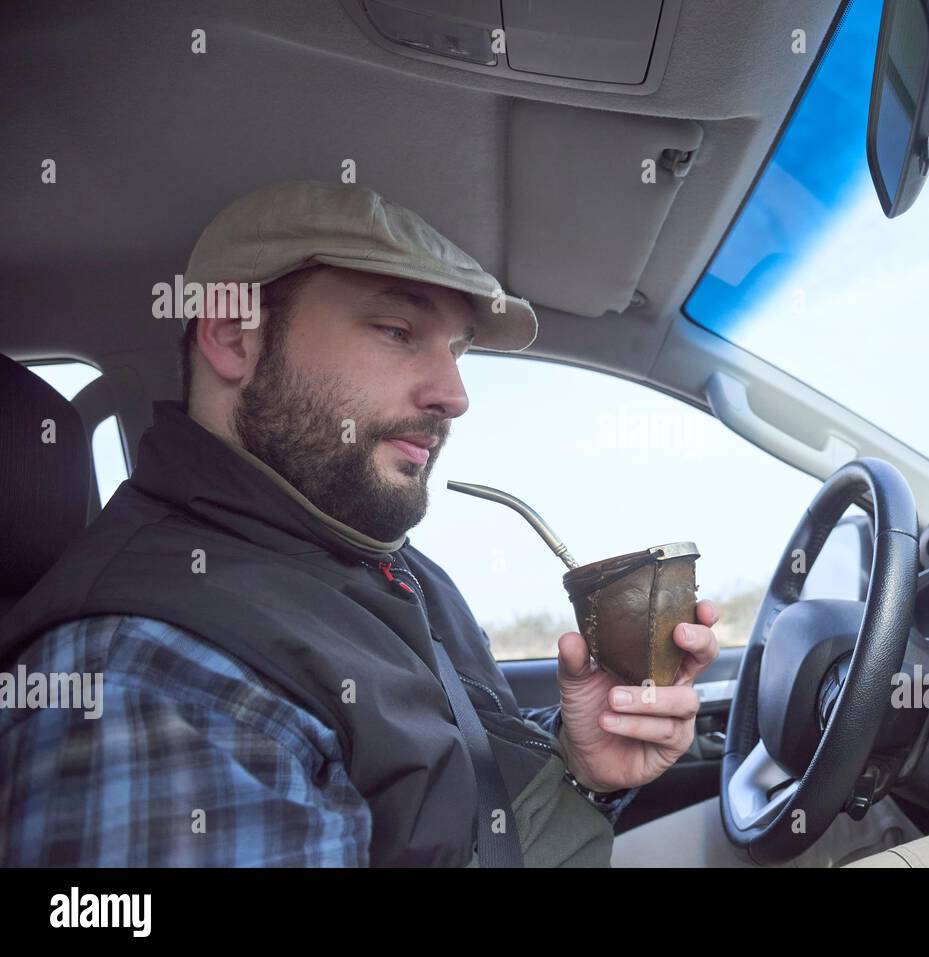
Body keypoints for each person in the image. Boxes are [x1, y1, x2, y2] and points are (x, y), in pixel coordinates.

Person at [0, 180, 720, 867]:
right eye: (398, 329)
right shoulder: (154, 681)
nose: (455, 394)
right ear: (233, 334)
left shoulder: (376, 562)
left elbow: (450, 798)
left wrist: (584, 766)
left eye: (458, 349)